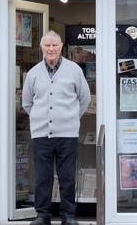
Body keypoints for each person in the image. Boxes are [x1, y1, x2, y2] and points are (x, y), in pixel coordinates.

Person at [22, 30, 91, 225]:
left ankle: (68, 215)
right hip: (41, 134)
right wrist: (40, 118)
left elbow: (84, 98)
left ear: (61, 47)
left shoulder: (74, 70)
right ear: (42, 47)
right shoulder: (34, 73)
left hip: (67, 133)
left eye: (55, 45)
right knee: (43, 177)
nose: (51, 49)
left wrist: (70, 118)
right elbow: (27, 103)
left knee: (67, 176)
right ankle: (43, 215)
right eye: (47, 45)